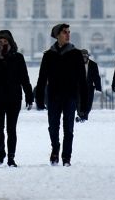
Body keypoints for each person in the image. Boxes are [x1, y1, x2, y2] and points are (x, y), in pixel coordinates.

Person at [34, 22, 90, 166]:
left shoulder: (76, 54)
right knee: (53, 127)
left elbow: (82, 80)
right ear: (57, 35)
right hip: (53, 96)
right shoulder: (49, 55)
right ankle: (55, 147)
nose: (68, 34)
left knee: (68, 128)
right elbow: (42, 78)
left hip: (70, 96)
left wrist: (84, 103)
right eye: (65, 32)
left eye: (68, 32)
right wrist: (39, 99)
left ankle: (66, 156)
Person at [0, 29, 32, 166]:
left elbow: (24, 78)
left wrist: (29, 96)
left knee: (11, 129)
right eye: (0, 41)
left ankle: (11, 157)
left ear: (10, 42)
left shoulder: (18, 57)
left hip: (14, 97)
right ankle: (2, 150)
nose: (3, 43)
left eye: (5, 41)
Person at [77, 49, 102, 121]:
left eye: (85, 56)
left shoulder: (93, 65)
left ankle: (84, 116)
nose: (83, 58)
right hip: (79, 87)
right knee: (79, 102)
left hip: (89, 87)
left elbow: (96, 77)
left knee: (88, 104)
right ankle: (81, 116)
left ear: (87, 56)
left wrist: (98, 88)